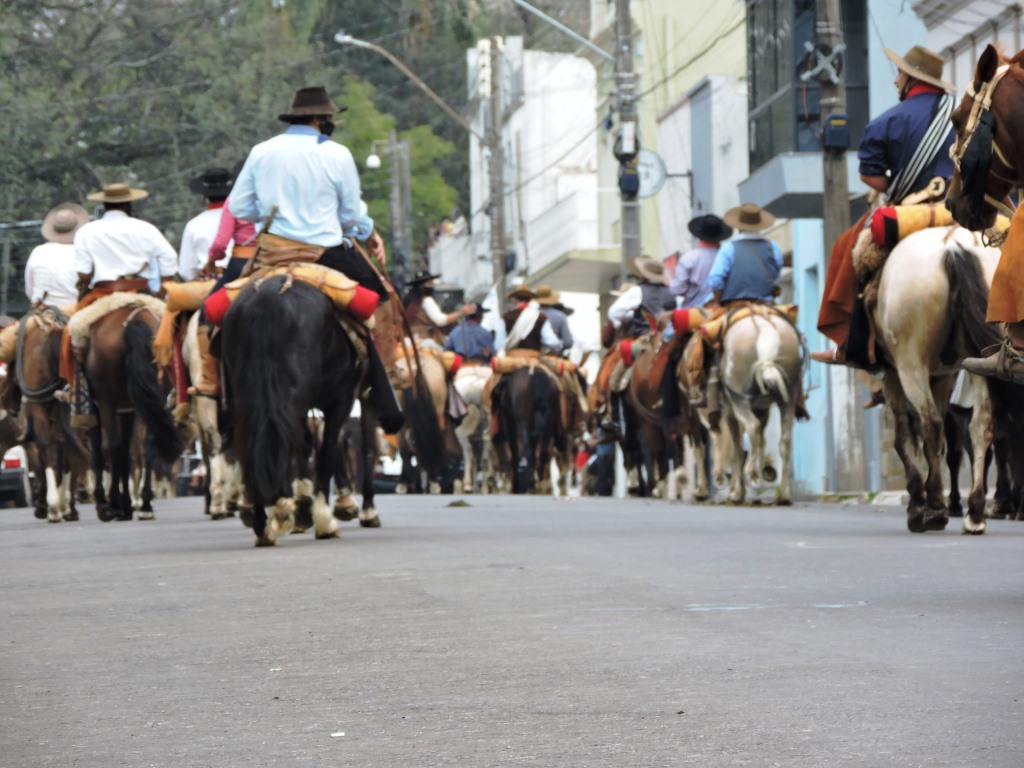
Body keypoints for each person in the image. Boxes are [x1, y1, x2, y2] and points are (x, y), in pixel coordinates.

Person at [216, 85, 402, 431]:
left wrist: (274, 209)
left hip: (271, 252)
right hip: (325, 254)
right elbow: (349, 215)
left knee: (216, 309)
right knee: (382, 298)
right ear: (319, 119)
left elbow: (240, 207)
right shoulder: (337, 154)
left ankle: (213, 386)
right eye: (329, 118)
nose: (331, 123)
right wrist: (347, 223)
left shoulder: (262, 151)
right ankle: (384, 385)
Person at [813, 45, 956, 367]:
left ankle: (850, 342)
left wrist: (900, 189)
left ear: (910, 79)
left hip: (907, 209)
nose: (894, 81)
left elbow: (869, 175)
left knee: (847, 247)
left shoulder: (887, 121)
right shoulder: (961, 115)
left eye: (900, 74)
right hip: (960, 209)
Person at [57, 182, 179, 423]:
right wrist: (164, 285)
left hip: (103, 295)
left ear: (104, 205)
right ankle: (179, 388)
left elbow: (83, 273)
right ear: (128, 204)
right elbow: (169, 259)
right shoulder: (146, 228)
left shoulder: (87, 231)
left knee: (73, 333)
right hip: (142, 295)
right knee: (175, 332)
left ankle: (75, 388)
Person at [684, 203, 783, 410]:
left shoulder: (729, 248)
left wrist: (720, 300)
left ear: (739, 227)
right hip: (767, 306)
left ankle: (701, 387)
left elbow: (716, 280)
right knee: (793, 334)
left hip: (735, 305)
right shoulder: (773, 247)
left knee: (703, 337)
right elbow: (776, 275)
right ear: (759, 225)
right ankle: (797, 396)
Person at [26, 203, 89, 308]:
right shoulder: (83, 253)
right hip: (75, 312)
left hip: (41, 312)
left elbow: (30, 290)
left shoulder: (38, 252)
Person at [178, 168, 235, 281]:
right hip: (241, 277)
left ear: (205, 195)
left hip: (208, 282)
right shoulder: (245, 218)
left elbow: (186, 271)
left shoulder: (193, 225)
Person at [670, 214, 733, 308]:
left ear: (700, 236)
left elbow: (677, 289)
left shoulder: (689, 258)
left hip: (694, 310)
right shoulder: (729, 257)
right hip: (722, 308)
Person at [607, 256, 676, 339]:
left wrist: (619, 323)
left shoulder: (637, 291)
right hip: (668, 336)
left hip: (644, 338)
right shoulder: (671, 291)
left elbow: (614, 312)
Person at [402, 270, 476, 347]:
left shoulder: (408, 300)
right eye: (429, 283)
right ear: (421, 286)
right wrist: (462, 313)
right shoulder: (426, 300)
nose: (432, 286)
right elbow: (440, 320)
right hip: (423, 341)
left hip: (407, 340)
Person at [534, 284, 574, 353]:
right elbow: (568, 342)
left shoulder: (531, 314)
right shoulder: (560, 316)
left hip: (532, 352)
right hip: (552, 354)